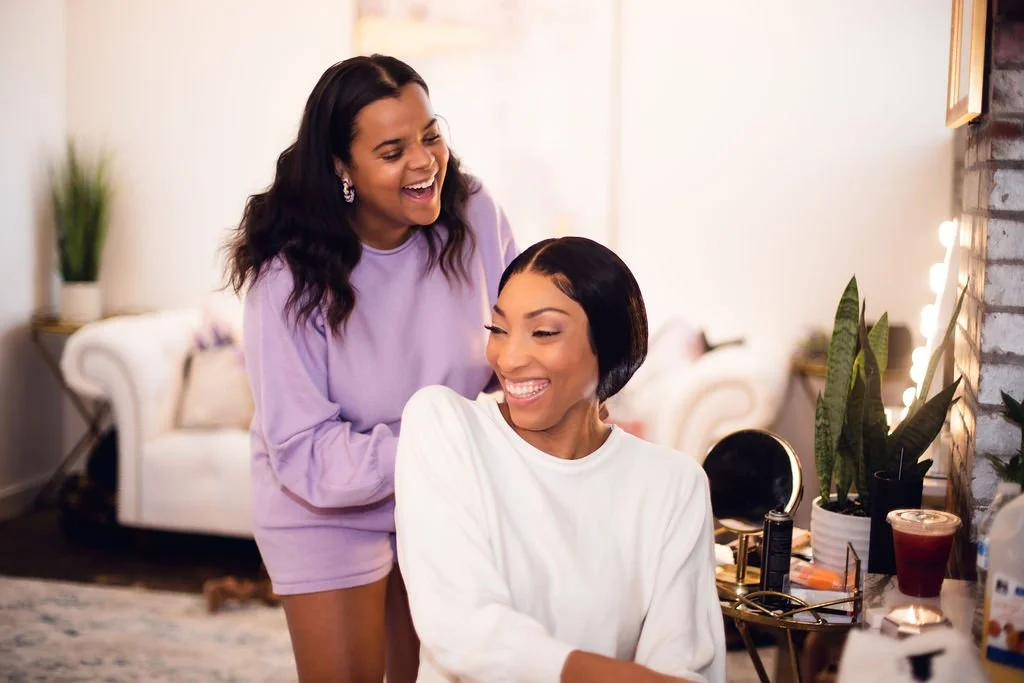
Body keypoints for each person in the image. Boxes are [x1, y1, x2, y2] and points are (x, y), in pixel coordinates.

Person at [223, 54, 517, 683]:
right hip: (322, 502)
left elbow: (512, 347)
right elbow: (302, 451)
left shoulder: (473, 214)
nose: (424, 162)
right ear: (342, 168)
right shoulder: (287, 277)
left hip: (439, 494)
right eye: (392, 151)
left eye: (430, 135)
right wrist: (449, 443)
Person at [394, 237, 726, 683]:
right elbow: (460, 627)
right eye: (498, 329)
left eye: (544, 332)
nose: (508, 359)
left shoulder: (673, 484)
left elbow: (683, 662)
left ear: (608, 346)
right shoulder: (445, 426)